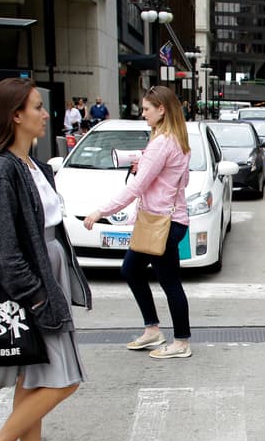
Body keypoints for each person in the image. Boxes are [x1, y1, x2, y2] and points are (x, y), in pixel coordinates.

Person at [0, 77, 93, 441]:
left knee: (33, 379)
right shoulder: (2, 170)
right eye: (37, 107)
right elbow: (0, 249)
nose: (45, 114)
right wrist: (38, 298)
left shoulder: (31, 164)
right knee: (65, 379)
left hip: (45, 274)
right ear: (15, 115)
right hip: (32, 286)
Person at [82, 86, 194, 360]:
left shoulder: (162, 142)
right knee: (131, 269)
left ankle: (181, 342)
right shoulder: (177, 141)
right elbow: (183, 181)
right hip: (165, 220)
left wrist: (101, 211)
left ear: (161, 110)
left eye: (146, 109)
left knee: (169, 282)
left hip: (161, 223)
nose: (142, 114)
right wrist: (146, 166)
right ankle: (153, 329)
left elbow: (136, 188)